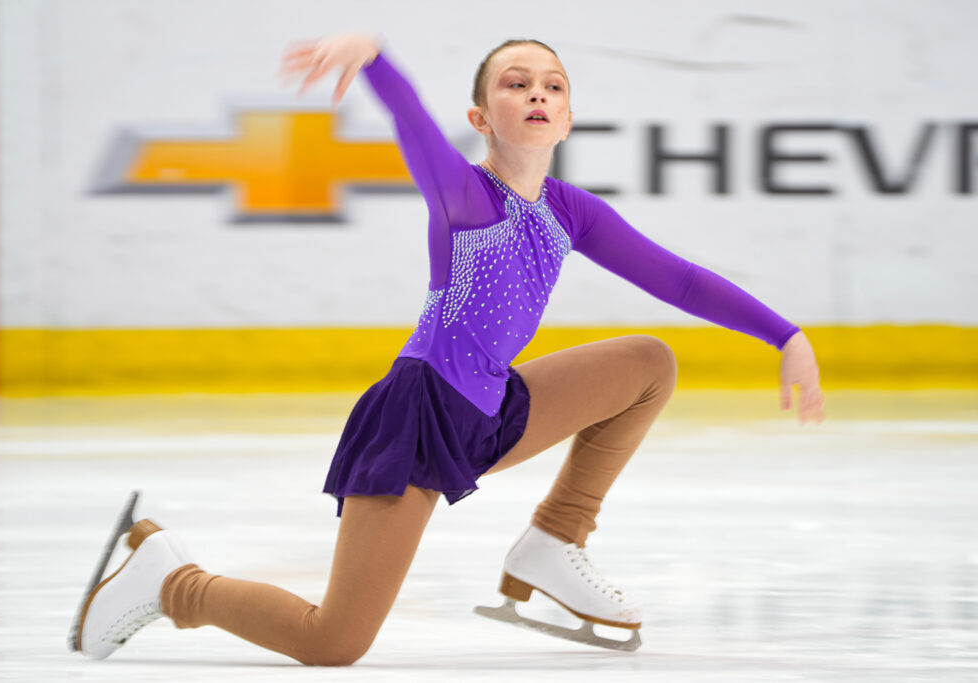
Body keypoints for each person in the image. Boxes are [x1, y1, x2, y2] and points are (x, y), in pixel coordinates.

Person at [69, 29, 825, 666]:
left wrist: (785, 335)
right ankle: (173, 582)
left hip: (492, 411)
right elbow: (415, 133)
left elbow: (680, 281)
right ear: (482, 114)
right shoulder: (467, 197)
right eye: (516, 83)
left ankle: (553, 542)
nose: (537, 94)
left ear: (566, 119)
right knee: (334, 640)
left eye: (553, 87)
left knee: (648, 364)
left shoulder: (570, 212)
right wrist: (373, 58)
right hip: (422, 417)